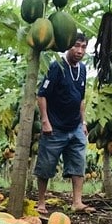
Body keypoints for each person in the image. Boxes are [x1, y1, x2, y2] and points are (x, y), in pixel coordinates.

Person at [35, 31, 92, 214]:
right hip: (55, 127)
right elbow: (42, 95)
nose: (80, 50)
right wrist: (45, 121)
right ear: (68, 45)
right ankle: (41, 202)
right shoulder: (56, 66)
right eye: (76, 45)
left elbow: (81, 100)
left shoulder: (82, 69)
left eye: (83, 47)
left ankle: (77, 202)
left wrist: (83, 123)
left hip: (75, 126)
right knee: (46, 165)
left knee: (78, 163)